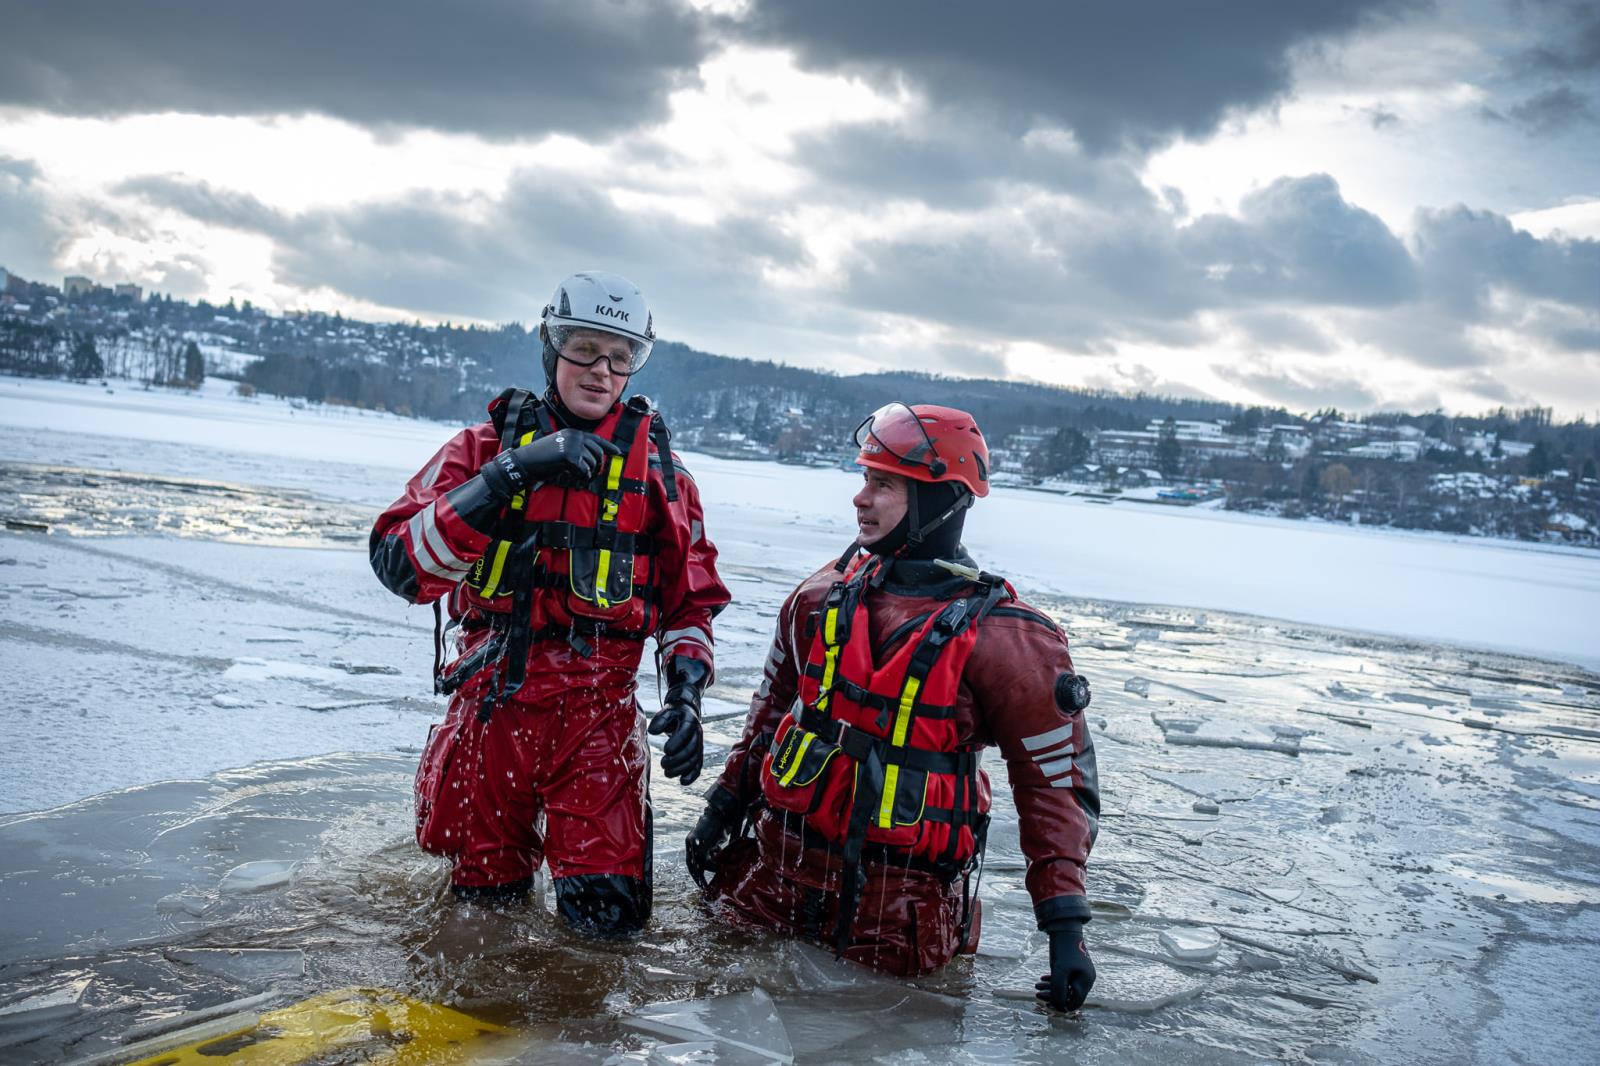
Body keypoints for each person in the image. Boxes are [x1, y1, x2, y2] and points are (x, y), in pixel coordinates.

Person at [685, 402, 1099, 1010]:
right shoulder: (819, 598)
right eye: (864, 478)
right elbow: (771, 715)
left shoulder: (1010, 642)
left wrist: (1065, 928)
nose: (860, 498)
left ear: (938, 501)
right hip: (770, 877)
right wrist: (721, 808)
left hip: (899, 911)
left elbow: (1053, 786)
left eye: (883, 484)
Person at [371, 270, 730, 936]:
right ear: (549, 347)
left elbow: (690, 605)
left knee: (605, 931)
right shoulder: (482, 450)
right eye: (585, 348)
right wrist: (512, 474)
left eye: (622, 357)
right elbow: (400, 564)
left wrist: (686, 698)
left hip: (597, 721)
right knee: (481, 922)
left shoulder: (663, 477)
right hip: (491, 711)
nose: (602, 370)